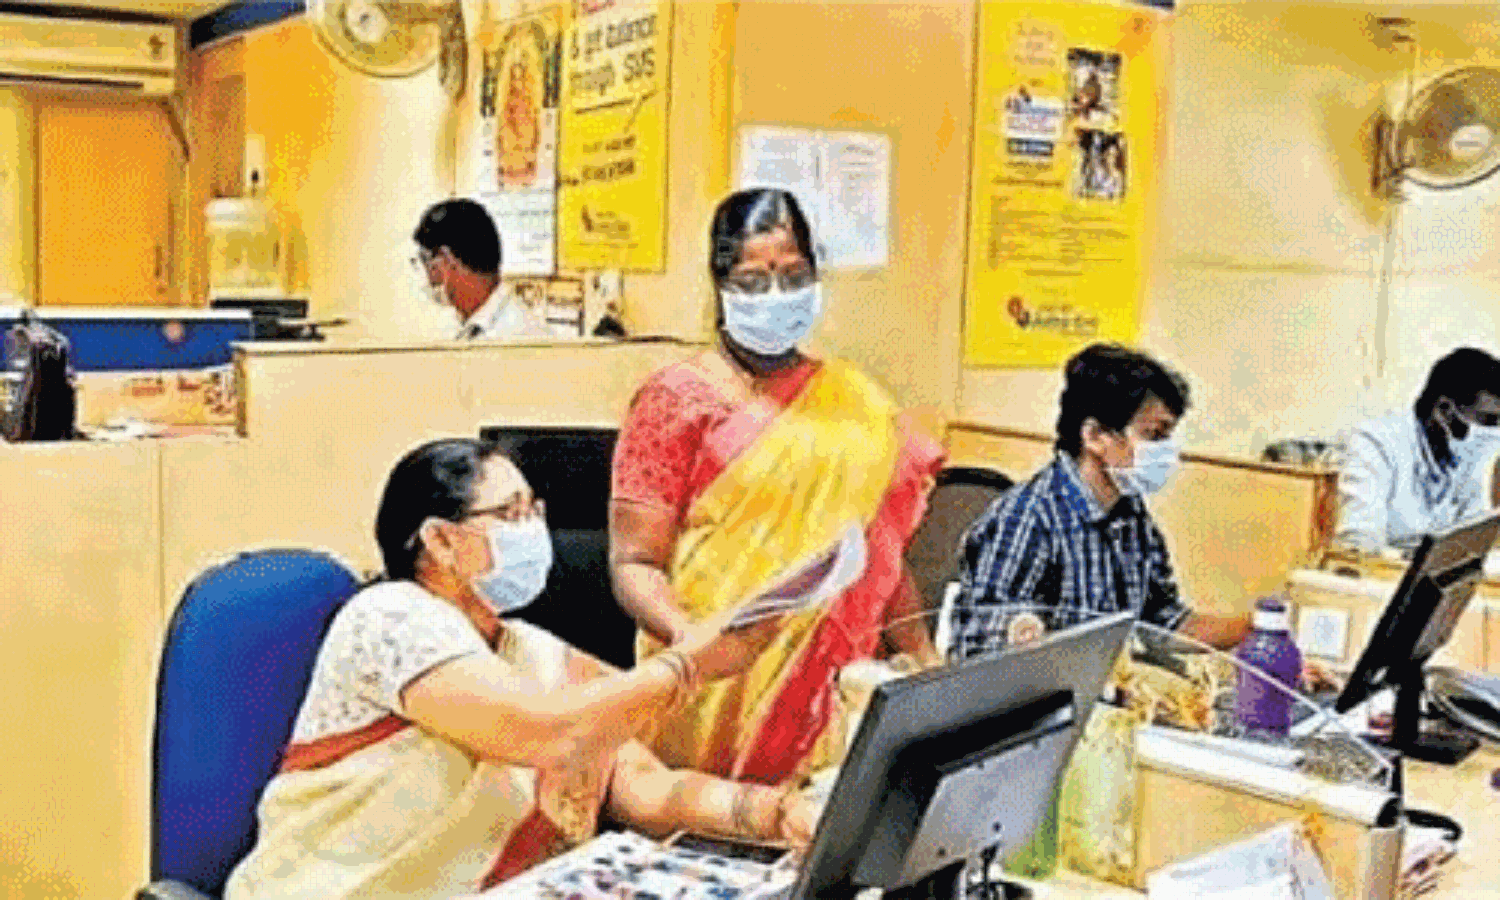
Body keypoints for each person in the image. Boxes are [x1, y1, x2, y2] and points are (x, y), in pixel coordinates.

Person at [224, 438, 818, 900]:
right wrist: (687, 664)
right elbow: (548, 732)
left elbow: (638, 780)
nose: (533, 529)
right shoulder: (389, 617)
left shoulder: (527, 649)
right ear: (441, 541)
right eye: (510, 513)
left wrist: (776, 814)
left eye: (534, 509)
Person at [608, 188, 946, 786]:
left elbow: (882, 558)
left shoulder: (857, 403)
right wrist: (694, 645)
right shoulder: (674, 400)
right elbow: (635, 562)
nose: (776, 296)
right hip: (708, 693)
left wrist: (923, 660)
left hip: (835, 696)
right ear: (720, 285)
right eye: (752, 281)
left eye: (794, 277)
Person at [948, 343, 1252, 659]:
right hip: (1041, 688)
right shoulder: (1028, 518)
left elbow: (1162, 624)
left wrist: (1253, 627)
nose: (1167, 451)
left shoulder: (1131, 513)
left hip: (1104, 684)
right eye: (1154, 435)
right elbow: (978, 650)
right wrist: (1025, 635)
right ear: (1094, 436)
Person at [1336, 347, 1500, 553]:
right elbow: (1359, 544)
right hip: (1384, 568)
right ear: (1444, 410)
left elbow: (1470, 540)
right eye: (1489, 420)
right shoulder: (1376, 443)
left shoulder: (1467, 455)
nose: (1494, 431)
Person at [411, 199, 549, 340]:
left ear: (447, 259)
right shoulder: (461, 322)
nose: (428, 273)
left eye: (425, 259)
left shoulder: (522, 336)